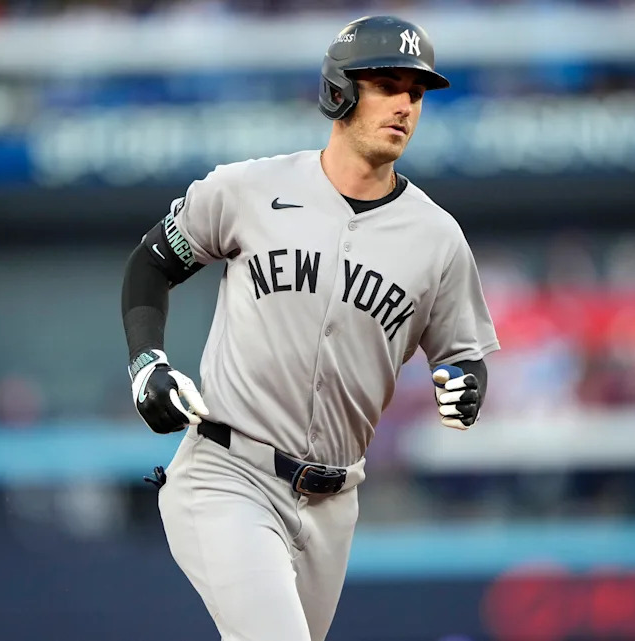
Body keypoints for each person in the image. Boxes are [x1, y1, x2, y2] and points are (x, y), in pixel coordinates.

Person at [120, 15, 499, 641]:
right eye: (387, 83)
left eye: (417, 91)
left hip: (333, 502)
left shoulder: (438, 238)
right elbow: (150, 264)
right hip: (227, 474)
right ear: (339, 91)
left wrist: (466, 383)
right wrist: (146, 365)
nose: (405, 103)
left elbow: (464, 355)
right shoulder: (250, 189)